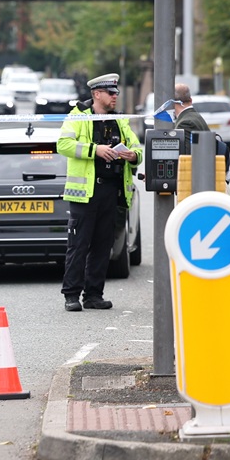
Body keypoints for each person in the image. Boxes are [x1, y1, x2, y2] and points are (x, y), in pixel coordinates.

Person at [56, 73, 143, 312]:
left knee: (103, 246)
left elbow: (137, 148)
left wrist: (133, 156)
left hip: (112, 191)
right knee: (79, 245)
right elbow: (63, 145)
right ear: (96, 94)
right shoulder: (78, 116)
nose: (115, 96)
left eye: (116, 93)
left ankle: (94, 295)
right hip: (85, 193)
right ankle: (71, 295)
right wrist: (96, 150)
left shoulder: (119, 120)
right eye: (110, 93)